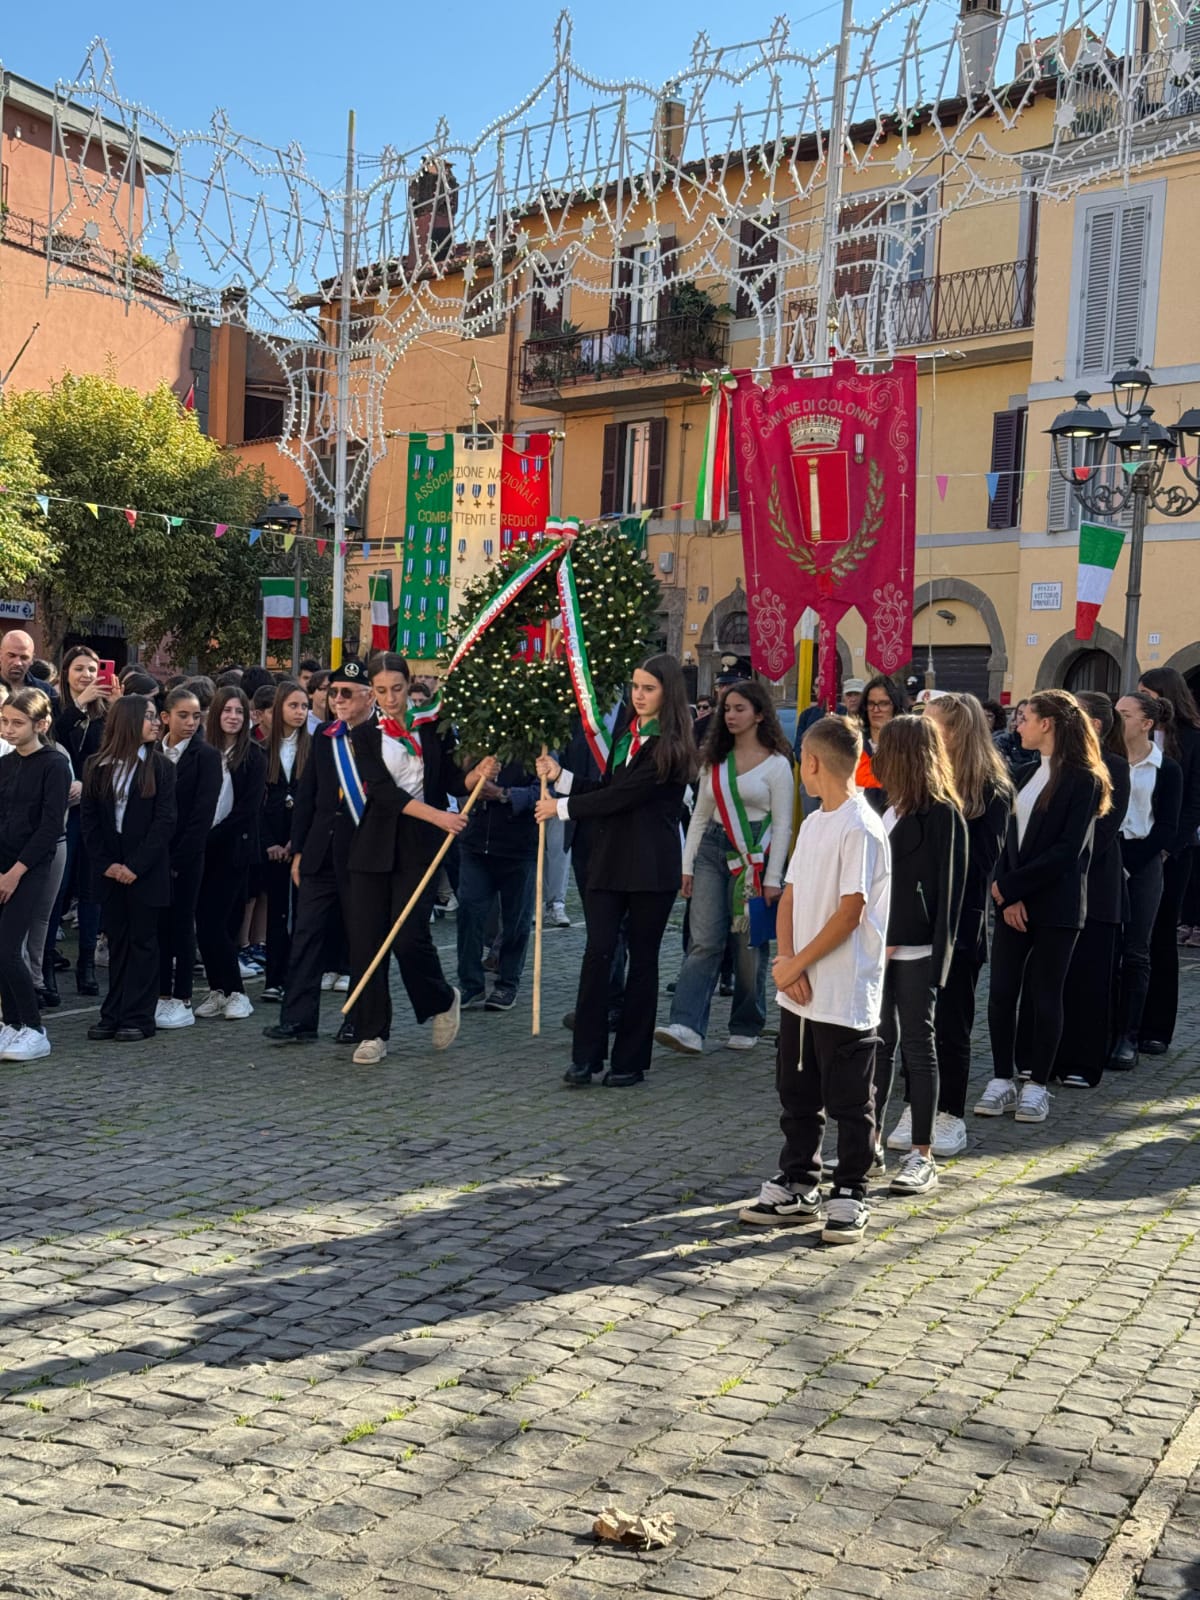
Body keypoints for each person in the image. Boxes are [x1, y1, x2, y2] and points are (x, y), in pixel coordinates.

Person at [738, 715, 890, 1244]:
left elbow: (851, 911)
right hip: (800, 986)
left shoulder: (860, 825)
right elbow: (792, 894)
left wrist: (797, 965)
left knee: (850, 1098)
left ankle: (850, 1189)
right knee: (797, 1089)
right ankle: (800, 1178)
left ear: (815, 762)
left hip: (843, 989)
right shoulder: (816, 822)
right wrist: (787, 959)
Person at [535, 655, 695, 1088]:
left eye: (648, 688)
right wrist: (563, 777)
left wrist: (560, 808)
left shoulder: (672, 744)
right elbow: (607, 788)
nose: (638, 695)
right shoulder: (628, 734)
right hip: (609, 861)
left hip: (650, 867)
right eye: (635, 686)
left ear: (668, 693)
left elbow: (624, 796)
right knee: (597, 955)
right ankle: (584, 1057)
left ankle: (629, 1060)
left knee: (642, 962)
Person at [343, 654, 493, 1062]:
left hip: (422, 844)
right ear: (371, 692)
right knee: (368, 940)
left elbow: (447, 779)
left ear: (409, 685)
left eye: (397, 688)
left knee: (409, 936)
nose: (390, 699)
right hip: (376, 840)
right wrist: (440, 816)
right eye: (381, 691)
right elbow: (384, 793)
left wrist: (475, 776)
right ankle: (372, 1032)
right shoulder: (363, 734)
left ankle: (442, 1000)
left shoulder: (432, 725)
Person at [978, 690, 1111, 1124]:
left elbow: (1067, 850)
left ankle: (1037, 1085)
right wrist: (1006, 891)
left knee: (1045, 994)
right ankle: (1002, 1078)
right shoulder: (1024, 771)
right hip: (1012, 900)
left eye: (1025, 718)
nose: (1018, 726)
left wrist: (1016, 888)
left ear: (1048, 723)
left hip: (1055, 902)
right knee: (1001, 993)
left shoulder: (1085, 779)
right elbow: (1005, 840)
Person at [655, 680, 793, 1056]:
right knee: (704, 940)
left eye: (739, 709)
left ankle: (746, 1021)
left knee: (749, 942)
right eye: (726, 709)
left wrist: (774, 878)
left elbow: (783, 825)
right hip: (713, 850)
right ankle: (686, 1025)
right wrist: (687, 865)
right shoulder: (715, 760)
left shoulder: (778, 766)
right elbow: (699, 816)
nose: (730, 715)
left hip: (754, 855)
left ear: (759, 714)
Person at [870, 715, 966, 1195]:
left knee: (917, 1047)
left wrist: (937, 962)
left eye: (885, 747)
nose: (875, 754)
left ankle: (921, 1154)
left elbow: (949, 894)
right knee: (877, 1045)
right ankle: (868, 1146)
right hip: (875, 945)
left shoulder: (942, 812)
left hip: (916, 948)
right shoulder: (882, 805)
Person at [920, 693, 1013, 1150]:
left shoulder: (991, 789)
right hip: (914, 919)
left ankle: (950, 1113)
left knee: (952, 1023)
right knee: (914, 1023)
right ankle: (917, 1108)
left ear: (954, 732)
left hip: (961, 923)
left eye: (930, 724)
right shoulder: (924, 781)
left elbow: (980, 865)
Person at [264, 659, 375, 1045]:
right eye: (333, 693)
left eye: (347, 693)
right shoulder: (326, 737)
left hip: (362, 855)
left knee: (359, 940)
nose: (337, 700)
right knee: (306, 936)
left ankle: (358, 1019)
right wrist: (298, 851)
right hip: (318, 855)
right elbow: (308, 796)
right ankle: (298, 1020)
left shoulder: (383, 735)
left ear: (368, 696)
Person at [80, 695, 176, 1042]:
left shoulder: (161, 767)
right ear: (129, 721)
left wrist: (135, 866)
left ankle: (138, 1015)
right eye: (149, 717)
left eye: (156, 717)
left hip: (145, 870)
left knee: (143, 941)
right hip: (110, 869)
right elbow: (89, 821)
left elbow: (165, 822)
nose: (156, 723)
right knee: (117, 940)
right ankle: (113, 1011)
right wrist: (107, 864)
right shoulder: (96, 765)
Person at [1048, 691, 1130, 1088]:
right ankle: (1045, 1058)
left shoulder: (1114, 767)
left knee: (1091, 978)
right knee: (1053, 981)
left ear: (1093, 726)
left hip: (1095, 888)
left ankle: (1082, 1061)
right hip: (1053, 886)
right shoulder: (1054, 766)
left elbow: (1101, 833)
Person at [1109, 690, 1182, 1069]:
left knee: (1136, 950)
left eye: (1124, 713)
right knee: (1103, 947)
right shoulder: (1107, 761)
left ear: (1147, 723)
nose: (1116, 718)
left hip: (1144, 860)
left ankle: (1129, 1036)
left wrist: (1131, 863)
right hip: (1107, 854)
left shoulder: (1165, 768)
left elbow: (1166, 828)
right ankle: (1102, 1030)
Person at [0, 689, 71, 1060]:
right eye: (4, 721)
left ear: (40, 724)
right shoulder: (6, 764)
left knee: (9, 948)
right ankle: (11, 1025)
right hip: (3, 865)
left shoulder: (54, 764)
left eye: (17, 723)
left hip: (32, 866)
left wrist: (15, 872)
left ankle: (34, 1027)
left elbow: (48, 827)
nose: (8, 730)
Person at [1136, 667, 1200, 1054]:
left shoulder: (1193, 739)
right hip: (1135, 847)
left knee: (1160, 937)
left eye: (1147, 692)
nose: (1143, 699)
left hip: (1173, 853)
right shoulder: (1133, 735)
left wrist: (1167, 846)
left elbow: (1195, 801)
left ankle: (1157, 1027)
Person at [194, 686, 267, 1021]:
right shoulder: (201, 752)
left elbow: (246, 810)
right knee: (205, 923)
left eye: (239, 711)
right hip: (200, 850)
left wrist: (209, 836)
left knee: (217, 924)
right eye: (227, 710)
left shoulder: (253, 756)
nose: (233, 717)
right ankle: (218, 989)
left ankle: (236, 991)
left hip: (233, 850)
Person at [48, 646, 114, 999]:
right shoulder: (56, 709)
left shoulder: (107, 713)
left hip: (93, 808)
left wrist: (87, 786)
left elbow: (113, 758)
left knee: (91, 890)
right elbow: (50, 740)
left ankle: (86, 965)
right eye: (79, 669)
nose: (87, 675)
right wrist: (77, 706)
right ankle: (45, 967)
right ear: (66, 673)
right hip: (59, 811)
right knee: (58, 888)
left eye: (92, 668)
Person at [156, 685, 222, 1029]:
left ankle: (181, 996)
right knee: (158, 925)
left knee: (182, 924)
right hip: (154, 854)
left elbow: (201, 815)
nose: (191, 722)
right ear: (165, 717)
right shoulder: (153, 752)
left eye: (196, 716)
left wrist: (178, 859)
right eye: (183, 715)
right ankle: (160, 992)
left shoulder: (207, 756)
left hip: (186, 856)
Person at [456, 758, 541, 1012]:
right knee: (469, 910)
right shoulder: (478, 741)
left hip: (518, 846)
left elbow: (545, 791)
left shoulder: (537, 744)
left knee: (516, 918)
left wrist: (504, 794)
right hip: (475, 842)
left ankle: (507, 983)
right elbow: (457, 781)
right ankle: (471, 983)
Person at [260, 680, 311, 1003]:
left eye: (304, 707)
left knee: (303, 911)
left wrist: (298, 841)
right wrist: (270, 842)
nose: (300, 712)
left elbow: (314, 801)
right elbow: (256, 803)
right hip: (272, 842)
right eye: (293, 706)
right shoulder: (263, 750)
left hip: (302, 844)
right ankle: (274, 977)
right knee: (276, 911)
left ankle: (299, 975)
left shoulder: (315, 747)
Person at [856, 675, 905, 812]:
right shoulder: (853, 746)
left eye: (883, 703)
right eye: (871, 703)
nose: (876, 710)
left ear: (895, 706)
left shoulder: (906, 748)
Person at [0, 631, 59, 709]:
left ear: (32, 659)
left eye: (24, 657)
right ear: (0, 654)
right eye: (12, 656)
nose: (18, 663)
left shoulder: (46, 691)